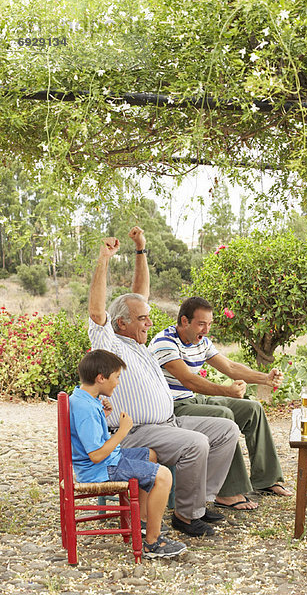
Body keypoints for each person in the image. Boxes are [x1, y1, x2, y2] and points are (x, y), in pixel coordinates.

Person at [88, 227, 240, 537]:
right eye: (143, 318)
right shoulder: (109, 345)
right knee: (196, 443)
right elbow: (96, 310)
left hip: (168, 423)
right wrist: (104, 259)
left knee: (227, 430)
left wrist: (140, 250)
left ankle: (197, 503)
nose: (150, 322)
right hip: (135, 432)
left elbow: (139, 296)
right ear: (122, 324)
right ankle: (185, 517)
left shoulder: (139, 344)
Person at [148, 296, 293, 510]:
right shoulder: (164, 343)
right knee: (223, 415)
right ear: (185, 321)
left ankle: (266, 479)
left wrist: (265, 378)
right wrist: (227, 391)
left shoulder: (201, 341)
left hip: (193, 400)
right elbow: (189, 380)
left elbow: (231, 367)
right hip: (173, 407)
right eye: (201, 324)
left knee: (253, 409)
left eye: (209, 324)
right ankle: (228, 493)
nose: (206, 330)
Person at [69, 348, 187, 558]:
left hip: (106, 462)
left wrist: (103, 416)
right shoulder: (86, 409)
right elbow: (95, 455)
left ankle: (142, 523)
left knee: (150, 454)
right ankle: (152, 543)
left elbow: (89, 436)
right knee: (164, 475)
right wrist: (122, 431)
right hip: (101, 469)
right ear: (101, 378)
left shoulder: (83, 399)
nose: (118, 382)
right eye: (116, 377)